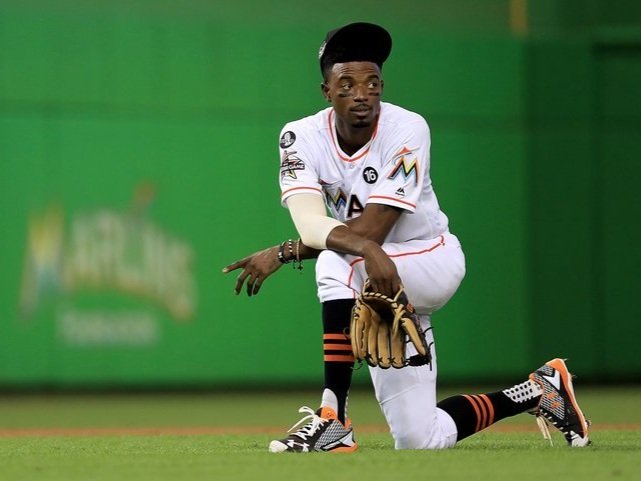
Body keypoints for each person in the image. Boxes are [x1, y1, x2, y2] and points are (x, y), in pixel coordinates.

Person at [223, 22, 590, 452]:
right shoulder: (299, 136)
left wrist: (286, 253)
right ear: (326, 91)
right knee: (419, 437)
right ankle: (540, 390)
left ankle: (332, 419)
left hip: (431, 259)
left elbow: (373, 229)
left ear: (382, 86)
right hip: (376, 274)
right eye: (347, 84)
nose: (362, 93)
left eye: (372, 82)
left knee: (337, 261)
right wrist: (349, 249)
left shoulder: (407, 128)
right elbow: (310, 223)